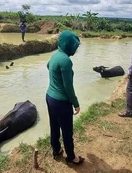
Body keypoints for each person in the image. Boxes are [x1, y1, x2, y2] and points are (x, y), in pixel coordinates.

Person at [46, 30, 84, 165]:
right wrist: (76, 103)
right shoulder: (66, 61)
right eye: (75, 46)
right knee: (67, 131)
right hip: (61, 102)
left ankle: (56, 150)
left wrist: (55, 79)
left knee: (54, 126)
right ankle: (72, 157)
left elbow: (48, 66)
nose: (75, 49)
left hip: (50, 96)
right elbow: (68, 86)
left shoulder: (55, 56)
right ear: (69, 45)